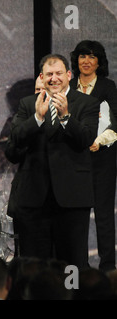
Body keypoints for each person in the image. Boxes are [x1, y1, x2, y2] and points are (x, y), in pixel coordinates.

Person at [6, 54, 100, 270]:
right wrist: (37, 119)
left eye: (59, 73)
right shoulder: (28, 104)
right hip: (34, 199)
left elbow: (86, 138)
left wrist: (66, 116)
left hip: (72, 200)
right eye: (49, 74)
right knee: (34, 266)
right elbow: (14, 145)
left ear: (68, 75)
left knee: (73, 264)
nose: (54, 78)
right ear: (42, 77)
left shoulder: (87, 103)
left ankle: (73, 295)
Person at [70, 40, 117, 272]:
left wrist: (99, 141)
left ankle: (108, 268)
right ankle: (79, 267)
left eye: (91, 57)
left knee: (104, 216)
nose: (86, 61)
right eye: (82, 56)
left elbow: (116, 123)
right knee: (76, 218)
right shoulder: (68, 87)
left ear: (99, 62)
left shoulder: (108, 87)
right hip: (75, 162)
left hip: (103, 161)